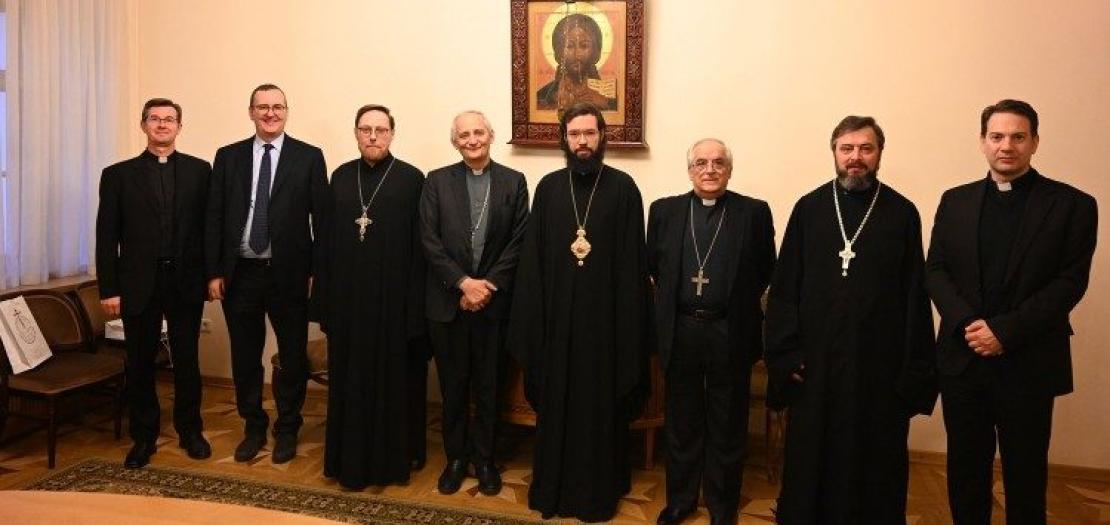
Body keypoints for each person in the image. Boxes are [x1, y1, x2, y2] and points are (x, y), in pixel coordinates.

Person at [925, 99, 1097, 524]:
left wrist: (1004, 332)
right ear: (983, 142)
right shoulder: (954, 201)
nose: (1007, 146)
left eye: (1018, 137)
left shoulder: (1073, 205)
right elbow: (936, 270)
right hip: (964, 359)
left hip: (1029, 360)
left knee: (1026, 474)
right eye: (997, 136)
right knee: (965, 470)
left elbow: (1069, 283)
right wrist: (969, 324)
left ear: (1035, 142)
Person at [764, 116, 937, 523]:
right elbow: (785, 287)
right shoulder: (809, 208)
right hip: (817, 367)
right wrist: (787, 355)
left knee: (874, 459)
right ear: (834, 153)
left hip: (877, 368)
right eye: (847, 149)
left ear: (879, 154)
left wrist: (912, 369)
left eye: (865, 149)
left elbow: (915, 294)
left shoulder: (901, 213)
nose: (855, 158)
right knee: (812, 458)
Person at [508, 102, 649, 522]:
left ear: (602, 136)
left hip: (605, 329)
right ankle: (552, 487)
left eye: (589, 133)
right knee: (557, 403)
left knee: (600, 410)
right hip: (557, 327)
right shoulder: (549, 188)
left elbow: (632, 267)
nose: (582, 142)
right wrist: (535, 322)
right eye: (574, 135)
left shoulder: (624, 188)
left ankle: (598, 492)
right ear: (564, 139)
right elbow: (534, 262)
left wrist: (627, 330)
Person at [646, 139, 775, 525]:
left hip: (729, 330)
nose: (710, 169)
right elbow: (655, 266)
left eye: (719, 162)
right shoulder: (665, 211)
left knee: (728, 423)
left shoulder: (753, 212)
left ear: (730, 170)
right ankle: (681, 501)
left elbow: (766, 269)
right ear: (689, 170)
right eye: (701, 162)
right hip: (681, 328)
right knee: (682, 421)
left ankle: (722, 506)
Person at [205, 84, 330, 464]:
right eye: (263, 107)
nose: (270, 113)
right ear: (251, 112)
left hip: (289, 274)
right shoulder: (228, 157)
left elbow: (321, 221)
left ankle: (287, 428)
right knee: (245, 356)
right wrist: (213, 271)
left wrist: (317, 271)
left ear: (287, 111)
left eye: (277, 107)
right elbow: (215, 216)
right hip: (240, 273)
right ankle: (253, 427)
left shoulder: (308, 157)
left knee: (292, 356)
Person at [315, 104, 428, 489]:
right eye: (366, 129)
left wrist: (415, 312)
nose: (374, 136)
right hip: (348, 306)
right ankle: (348, 461)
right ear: (357, 133)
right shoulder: (341, 177)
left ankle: (390, 463)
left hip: (393, 308)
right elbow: (326, 244)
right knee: (350, 384)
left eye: (381, 129)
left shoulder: (413, 179)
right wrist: (326, 305)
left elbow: (421, 250)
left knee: (393, 385)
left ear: (393, 134)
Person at [96, 98, 212, 469]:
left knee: (188, 360)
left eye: (169, 119)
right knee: (141, 361)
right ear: (143, 125)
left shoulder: (200, 171)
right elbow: (106, 236)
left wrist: (212, 275)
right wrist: (109, 289)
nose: (162, 125)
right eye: (155, 119)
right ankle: (143, 436)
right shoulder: (117, 175)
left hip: (185, 283)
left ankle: (190, 431)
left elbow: (209, 230)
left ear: (180, 126)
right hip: (137, 285)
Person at [419, 111, 529, 495]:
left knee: (488, 387)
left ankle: (484, 459)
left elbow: (519, 241)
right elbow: (428, 240)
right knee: (453, 386)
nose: (472, 139)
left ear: (491, 136)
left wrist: (487, 287)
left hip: (493, 306)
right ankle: (455, 459)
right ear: (455, 142)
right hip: (448, 304)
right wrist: (464, 283)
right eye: (464, 135)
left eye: (478, 132)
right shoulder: (436, 182)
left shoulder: (514, 183)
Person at [536, 13, 618, 113]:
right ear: (558, 53)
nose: (577, 54)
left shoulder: (610, 99)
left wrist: (606, 103)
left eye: (584, 46)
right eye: (569, 46)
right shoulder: (542, 97)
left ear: (596, 52)